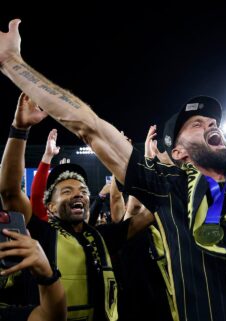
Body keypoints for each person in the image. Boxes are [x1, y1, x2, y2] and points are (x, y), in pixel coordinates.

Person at [0, 20, 226, 320]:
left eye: (213, 123)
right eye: (197, 124)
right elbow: (91, 126)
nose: (211, 125)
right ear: (178, 151)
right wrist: (13, 63)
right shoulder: (168, 187)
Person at [0, 92, 154, 321]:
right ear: (50, 206)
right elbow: (10, 191)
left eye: (83, 191)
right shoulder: (41, 233)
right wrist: (19, 129)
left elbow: (151, 211)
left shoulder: (102, 237)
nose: (78, 195)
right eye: (67, 191)